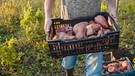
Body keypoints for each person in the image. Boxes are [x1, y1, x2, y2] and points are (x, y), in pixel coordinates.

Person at [44, 0, 118, 76]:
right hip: (69, 25)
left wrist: (112, 9)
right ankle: (69, 72)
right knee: (69, 60)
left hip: (93, 23)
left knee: (94, 66)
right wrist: (47, 16)